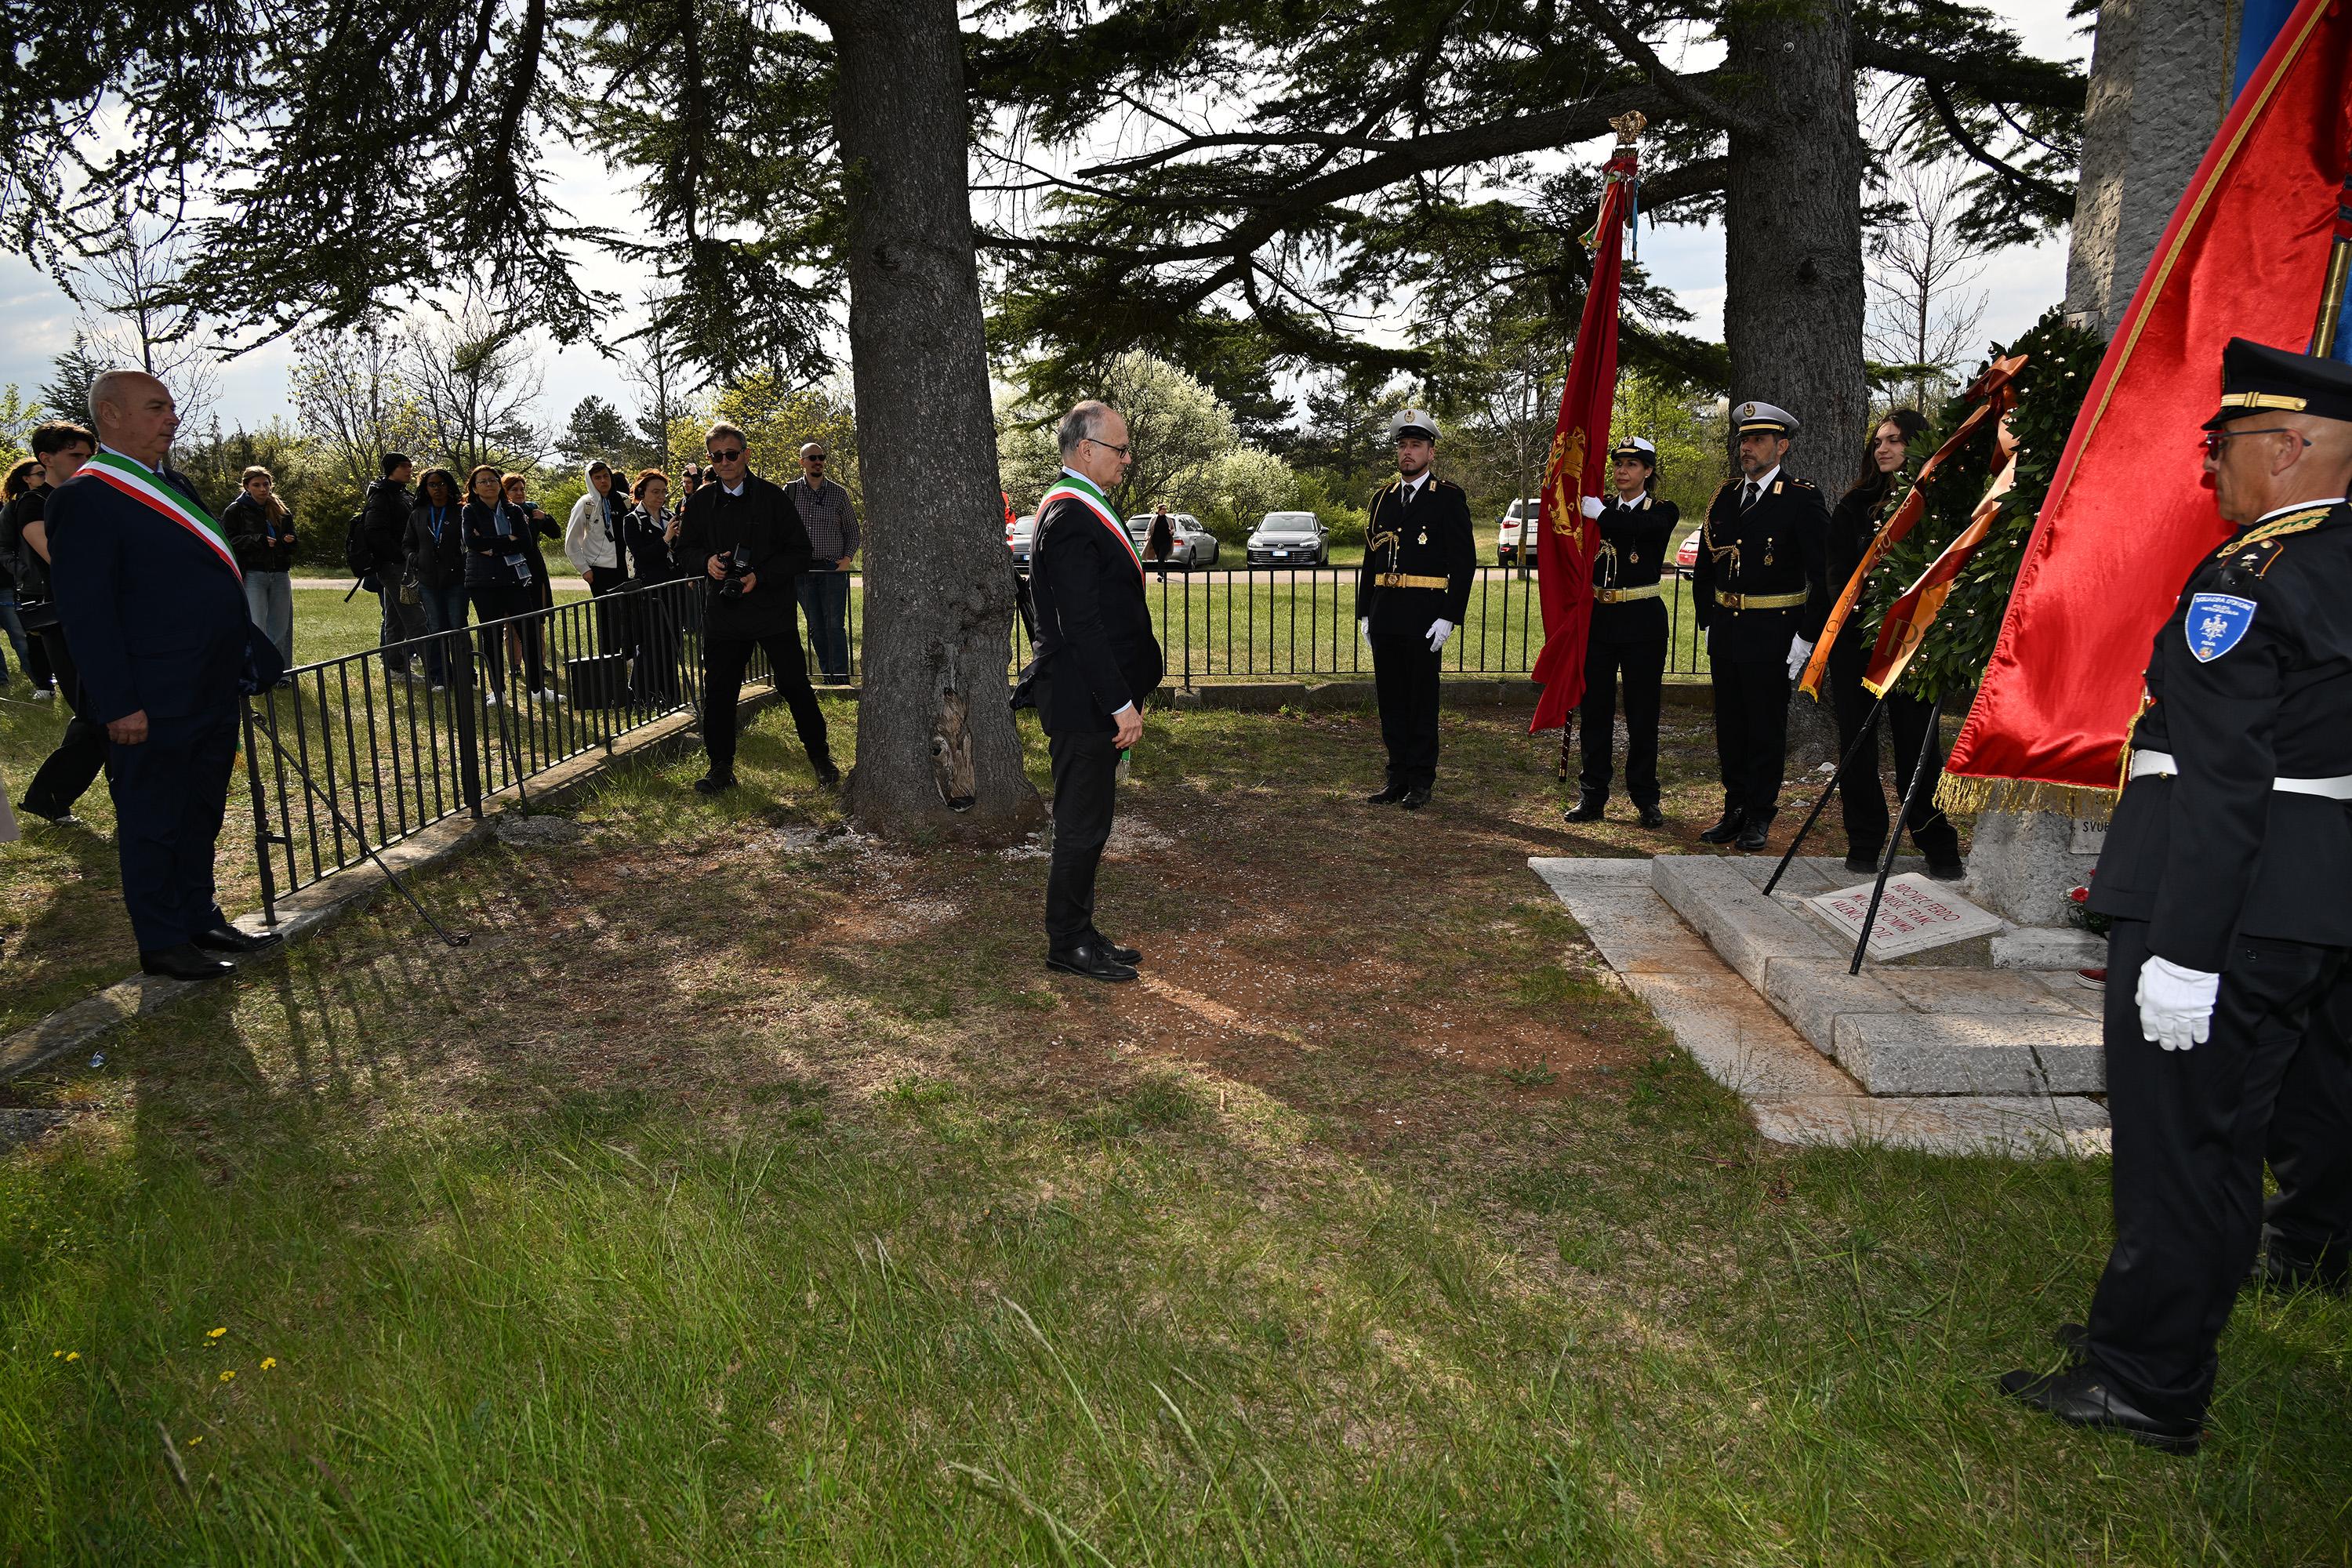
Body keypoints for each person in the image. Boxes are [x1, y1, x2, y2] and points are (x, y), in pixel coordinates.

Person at [2002, 339, 2352, 1456]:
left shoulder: (2253, 577)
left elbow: (2222, 779)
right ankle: (2158, 1325)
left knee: (2184, 1147)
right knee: (2252, 1125)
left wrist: (2188, 952)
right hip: (2309, 896)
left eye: (2224, 445)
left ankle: (2144, 1382)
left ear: (2289, 449)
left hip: (2225, 904)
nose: (2208, 470)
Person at [45, 369, 283, 981]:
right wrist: (117, 702)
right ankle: (161, 939)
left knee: (200, 810)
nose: (172, 418)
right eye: (156, 408)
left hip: (208, 686)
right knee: (153, 817)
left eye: (172, 407)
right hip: (149, 698)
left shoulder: (172, 483)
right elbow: (88, 615)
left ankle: (197, 915)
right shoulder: (84, 497)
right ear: (111, 415)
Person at [1029, 399, 1162, 982]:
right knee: (1081, 828)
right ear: (1086, 450)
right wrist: (1120, 704)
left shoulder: (1084, 511)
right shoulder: (1070, 517)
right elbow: (1080, 625)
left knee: (1092, 824)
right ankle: (1066, 944)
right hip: (1087, 703)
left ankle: (1081, 930)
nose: (1127, 459)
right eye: (1120, 448)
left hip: (1092, 700)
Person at [1824, 411, 1963, 879]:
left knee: (1918, 745)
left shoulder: (1938, 504)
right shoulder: (1853, 507)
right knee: (1857, 746)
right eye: (1878, 442)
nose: (1882, 449)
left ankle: (1934, 839)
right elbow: (1836, 577)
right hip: (1858, 642)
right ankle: (1864, 839)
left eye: (1895, 441)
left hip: (1913, 643)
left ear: (1918, 445)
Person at [1691, 400, 1829, 853]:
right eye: (1743, 439)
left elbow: (1822, 574)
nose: (1746, 448)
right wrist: (1706, 617)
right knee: (1730, 725)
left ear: (1781, 446)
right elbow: (1708, 565)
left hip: (1774, 631)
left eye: (1757, 440)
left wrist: (1806, 637)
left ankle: (1760, 813)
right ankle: (1733, 808)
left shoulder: (1801, 498)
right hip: (1727, 630)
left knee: (1765, 727)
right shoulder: (1725, 496)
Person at [672, 422, 838, 793]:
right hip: (724, 615)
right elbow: (684, 551)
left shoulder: (774, 498)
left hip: (772, 611)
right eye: (717, 456)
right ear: (710, 461)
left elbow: (799, 551)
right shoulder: (698, 502)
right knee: (719, 693)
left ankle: (821, 758)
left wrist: (759, 577)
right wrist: (706, 563)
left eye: (732, 454)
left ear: (746, 455)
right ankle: (720, 769)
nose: (725, 461)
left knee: (795, 686)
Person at [1355, 408, 1476, 810]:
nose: (1408, 453)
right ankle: (1397, 776)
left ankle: (1421, 780)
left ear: (1431, 452)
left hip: (1425, 616)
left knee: (1421, 699)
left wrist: (1449, 615)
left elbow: (1464, 563)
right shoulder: (1382, 499)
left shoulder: (1448, 499)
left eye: (1416, 446)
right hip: (1386, 612)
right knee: (1390, 699)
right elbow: (1371, 560)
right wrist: (1365, 611)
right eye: (1403, 446)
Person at [1566, 437, 1677, 829]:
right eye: (1618, 464)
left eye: (1632, 465)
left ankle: (1645, 796)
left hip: (1642, 619)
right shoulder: (1600, 508)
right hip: (1600, 619)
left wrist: (1601, 515)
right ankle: (1593, 795)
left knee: (1642, 711)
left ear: (1648, 471)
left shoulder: (1661, 509)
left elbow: (1646, 530)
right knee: (1595, 710)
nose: (1622, 471)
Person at [9, 423, 106, 825]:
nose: (85, 462)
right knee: (96, 710)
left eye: (89, 455)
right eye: (75, 456)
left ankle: (48, 797)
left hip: (99, 614)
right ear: (46, 459)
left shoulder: (94, 496)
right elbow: (59, 557)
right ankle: (49, 796)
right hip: (61, 619)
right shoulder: (33, 504)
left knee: (101, 711)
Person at [461, 464, 545, 706]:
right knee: (492, 636)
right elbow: (472, 542)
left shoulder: (514, 511)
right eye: (482, 482)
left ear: (499, 484)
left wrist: (492, 545)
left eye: (493, 480)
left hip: (514, 579)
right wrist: (507, 540)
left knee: (528, 631)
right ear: (475, 489)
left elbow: (526, 543)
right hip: (483, 582)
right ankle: (499, 692)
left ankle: (537, 690)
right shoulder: (470, 511)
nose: (489, 484)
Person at [787, 441, 859, 684]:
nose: (818, 461)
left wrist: (847, 560)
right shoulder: (790, 492)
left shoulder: (838, 493)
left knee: (834, 626)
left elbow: (853, 530)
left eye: (821, 457)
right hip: (802, 571)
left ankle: (840, 679)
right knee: (816, 627)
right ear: (802, 463)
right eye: (812, 458)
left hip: (832, 569)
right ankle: (828, 675)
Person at [220, 464, 298, 668]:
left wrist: (289, 541)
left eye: (266, 484)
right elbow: (228, 541)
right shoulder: (236, 510)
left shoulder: (281, 509)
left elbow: (293, 542)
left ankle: (281, 671)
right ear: (246, 487)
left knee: (281, 626)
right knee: (257, 625)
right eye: (257, 485)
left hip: (280, 573)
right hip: (253, 574)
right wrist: (258, 540)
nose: (263, 489)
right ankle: (259, 670)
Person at [621, 467, 687, 705]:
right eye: (655, 492)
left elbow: (681, 551)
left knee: (673, 641)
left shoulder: (670, 516)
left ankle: (670, 694)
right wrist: (666, 539)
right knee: (651, 641)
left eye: (664, 492)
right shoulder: (632, 520)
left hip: (673, 586)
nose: (660, 497)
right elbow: (641, 556)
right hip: (650, 587)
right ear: (642, 492)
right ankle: (641, 694)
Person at [403, 466, 469, 690]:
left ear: (449, 486)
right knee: (435, 627)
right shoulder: (418, 514)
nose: (438, 488)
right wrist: (415, 559)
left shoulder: (461, 511)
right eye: (433, 485)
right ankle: (440, 678)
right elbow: (407, 544)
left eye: (442, 484)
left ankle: (466, 675)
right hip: (428, 580)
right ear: (425, 488)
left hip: (456, 580)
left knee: (458, 626)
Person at [500, 473, 564, 703]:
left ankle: (539, 663)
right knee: (511, 622)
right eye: (514, 489)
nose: (519, 493)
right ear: (505, 492)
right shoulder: (500, 512)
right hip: (510, 569)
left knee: (538, 619)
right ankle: (515, 665)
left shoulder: (532, 510)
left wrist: (545, 518)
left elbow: (555, 533)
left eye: (522, 489)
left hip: (534, 569)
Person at [361, 453, 423, 680]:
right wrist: (402, 557)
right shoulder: (381, 495)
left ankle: (395, 667)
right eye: (403, 466)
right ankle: (439, 673)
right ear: (391, 469)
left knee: (395, 620)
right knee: (416, 617)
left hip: (403, 565)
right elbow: (375, 533)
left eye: (410, 466)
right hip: (394, 567)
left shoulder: (402, 494)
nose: (409, 470)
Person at [564, 458, 632, 655]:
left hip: (625, 567)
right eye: (598, 477)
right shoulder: (585, 504)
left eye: (606, 476)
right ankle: (609, 655)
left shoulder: (624, 499)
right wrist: (584, 569)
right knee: (606, 615)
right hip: (600, 570)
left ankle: (628, 654)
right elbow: (572, 541)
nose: (603, 481)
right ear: (590, 480)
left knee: (627, 613)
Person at [0, 458, 50, 695]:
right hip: (27, 582)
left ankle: (50, 681)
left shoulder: (53, 500)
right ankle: (40, 684)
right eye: (39, 474)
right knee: (31, 637)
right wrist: (22, 570)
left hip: (50, 580)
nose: (44, 477)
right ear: (26, 479)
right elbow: (5, 547)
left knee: (28, 637)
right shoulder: (13, 508)